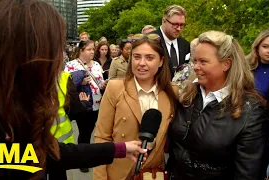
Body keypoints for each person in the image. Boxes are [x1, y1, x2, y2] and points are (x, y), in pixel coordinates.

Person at [0, 1, 147, 179]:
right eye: (54, 51)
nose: (58, 64)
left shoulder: (3, 108)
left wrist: (119, 149)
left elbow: (42, 154)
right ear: (25, 59)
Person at [167, 31, 267, 180]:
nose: (195, 67)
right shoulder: (188, 95)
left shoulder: (250, 110)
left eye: (203, 62)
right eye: (195, 61)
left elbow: (247, 172)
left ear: (226, 64)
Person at [93, 34, 178, 180]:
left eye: (150, 58)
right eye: (137, 57)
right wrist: (100, 177)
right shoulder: (116, 88)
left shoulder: (172, 92)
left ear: (161, 61)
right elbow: (102, 137)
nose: (142, 63)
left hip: (153, 173)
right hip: (119, 172)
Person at [64, 40, 106, 172]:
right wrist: (79, 82)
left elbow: (100, 82)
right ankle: (82, 159)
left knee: (88, 131)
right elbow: (66, 86)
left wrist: (104, 85)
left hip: (96, 104)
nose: (92, 52)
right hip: (81, 104)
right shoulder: (71, 65)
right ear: (81, 51)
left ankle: (83, 156)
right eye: (89, 49)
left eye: (93, 49)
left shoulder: (97, 65)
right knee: (84, 132)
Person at [151, 5, 190, 79]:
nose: (179, 29)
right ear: (164, 21)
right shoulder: (149, 41)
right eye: (175, 24)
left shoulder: (185, 44)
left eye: (182, 25)